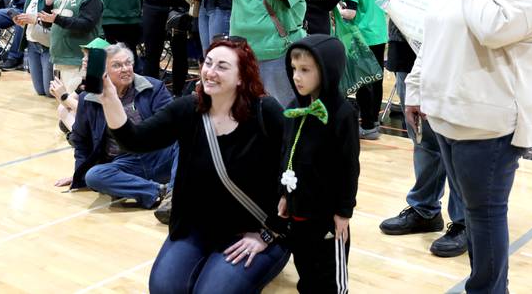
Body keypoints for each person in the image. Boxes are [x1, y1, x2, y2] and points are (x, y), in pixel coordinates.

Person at [406, 0, 532, 294]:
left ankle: (487, 290)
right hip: (446, 115)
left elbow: (492, 29)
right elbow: (432, 36)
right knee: (473, 213)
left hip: (490, 124)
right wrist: (416, 89)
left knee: (484, 216)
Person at [100, 38, 290, 293]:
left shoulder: (265, 112)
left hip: (253, 230)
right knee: (164, 288)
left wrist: (269, 234)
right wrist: (109, 98)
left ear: (242, 77)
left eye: (222, 67)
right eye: (208, 63)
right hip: (198, 227)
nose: (210, 72)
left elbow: (297, 169)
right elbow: (133, 140)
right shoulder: (189, 108)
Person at [372, 0, 475, 258]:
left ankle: (464, 221)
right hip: (407, 44)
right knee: (423, 134)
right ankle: (424, 208)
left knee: (456, 138)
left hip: (456, 50)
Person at [55, 43, 177, 216]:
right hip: (125, 163)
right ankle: (158, 191)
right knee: (94, 176)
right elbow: (81, 141)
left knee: (184, 141)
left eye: (128, 63)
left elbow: (173, 125)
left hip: (158, 154)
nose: (126, 69)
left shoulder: (153, 87)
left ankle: (174, 195)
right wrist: (79, 174)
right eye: (117, 65)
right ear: (103, 73)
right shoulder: (88, 99)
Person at [280, 35, 359, 293]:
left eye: (305, 70)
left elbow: (349, 168)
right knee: (306, 273)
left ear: (327, 70)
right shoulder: (294, 108)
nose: (296, 77)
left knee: (330, 281)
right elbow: (287, 155)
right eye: (294, 69)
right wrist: (285, 195)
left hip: (327, 218)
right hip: (298, 214)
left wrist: (344, 211)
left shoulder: (342, 114)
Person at [339, 0, 387, 140]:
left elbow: (350, 13)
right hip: (380, 34)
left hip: (362, 37)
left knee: (364, 82)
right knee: (376, 81)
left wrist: (335, 9)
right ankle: (373, 121)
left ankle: (367, 126)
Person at [40, 0, 104, 93]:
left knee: (73, 103)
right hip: (59, 58)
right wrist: (48, 4)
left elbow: (85, 25)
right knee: (62, 101)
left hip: (77, 60)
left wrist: (57, 19)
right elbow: (46, 23)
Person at [12, 0, 62, 95]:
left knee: (49, 92)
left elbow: (56, 23)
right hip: (32, 44)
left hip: (48, 45)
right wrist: (21, 22)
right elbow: (29, 19)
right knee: (40, 91)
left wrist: (35, 20)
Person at [49, 37, 110, 141]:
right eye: (84, 56)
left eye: (89, 57)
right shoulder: (88, 80)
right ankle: (79, 138)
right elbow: (66, 104)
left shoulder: (108, 83)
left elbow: (90, 111)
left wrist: (64, 96)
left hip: (105, 127)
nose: (84, 60)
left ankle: (81, 139)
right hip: (93, 122)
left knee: (69, 117)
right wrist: (58, 95)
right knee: (62, 110)